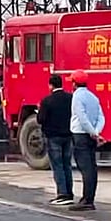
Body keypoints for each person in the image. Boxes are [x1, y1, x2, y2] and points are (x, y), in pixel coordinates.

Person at [69, 69, 105, 211]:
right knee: (92, 167)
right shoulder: (93, 97)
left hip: (80, 134)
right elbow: (101, 116)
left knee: (85, 168)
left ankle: (87, 200)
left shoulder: (77, 97)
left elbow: (82, 118)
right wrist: (96, 132)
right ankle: (89, 198)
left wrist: (92, 132)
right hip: (90, 135)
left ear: (74, 83)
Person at [38, 74, 74, 205]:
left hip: (53, 136)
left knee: (57, 165)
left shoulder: (47, 101)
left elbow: (40, 119)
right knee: (67, 164)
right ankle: (69, 192)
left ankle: (62, 193)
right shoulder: (70, 98)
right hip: (68, 135)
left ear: (50, 85)